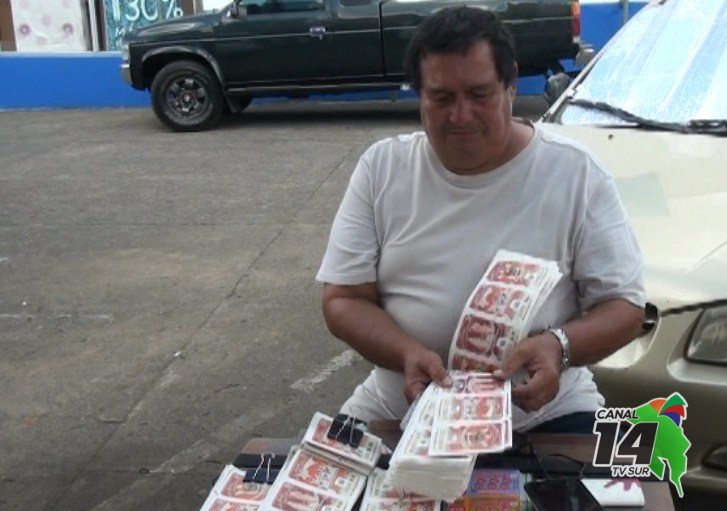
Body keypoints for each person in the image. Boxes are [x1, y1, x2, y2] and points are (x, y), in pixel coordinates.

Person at [315, 6, 645, 432]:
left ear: (511, 86)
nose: (461, 115)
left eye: (479, 94)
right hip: (400, 407)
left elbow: (625, 307)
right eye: (442, 97)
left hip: (543, 415)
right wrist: (406, 353)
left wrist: (559, 346)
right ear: (419, 95)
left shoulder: (577, 175)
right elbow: (343, 298)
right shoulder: (382, 168)